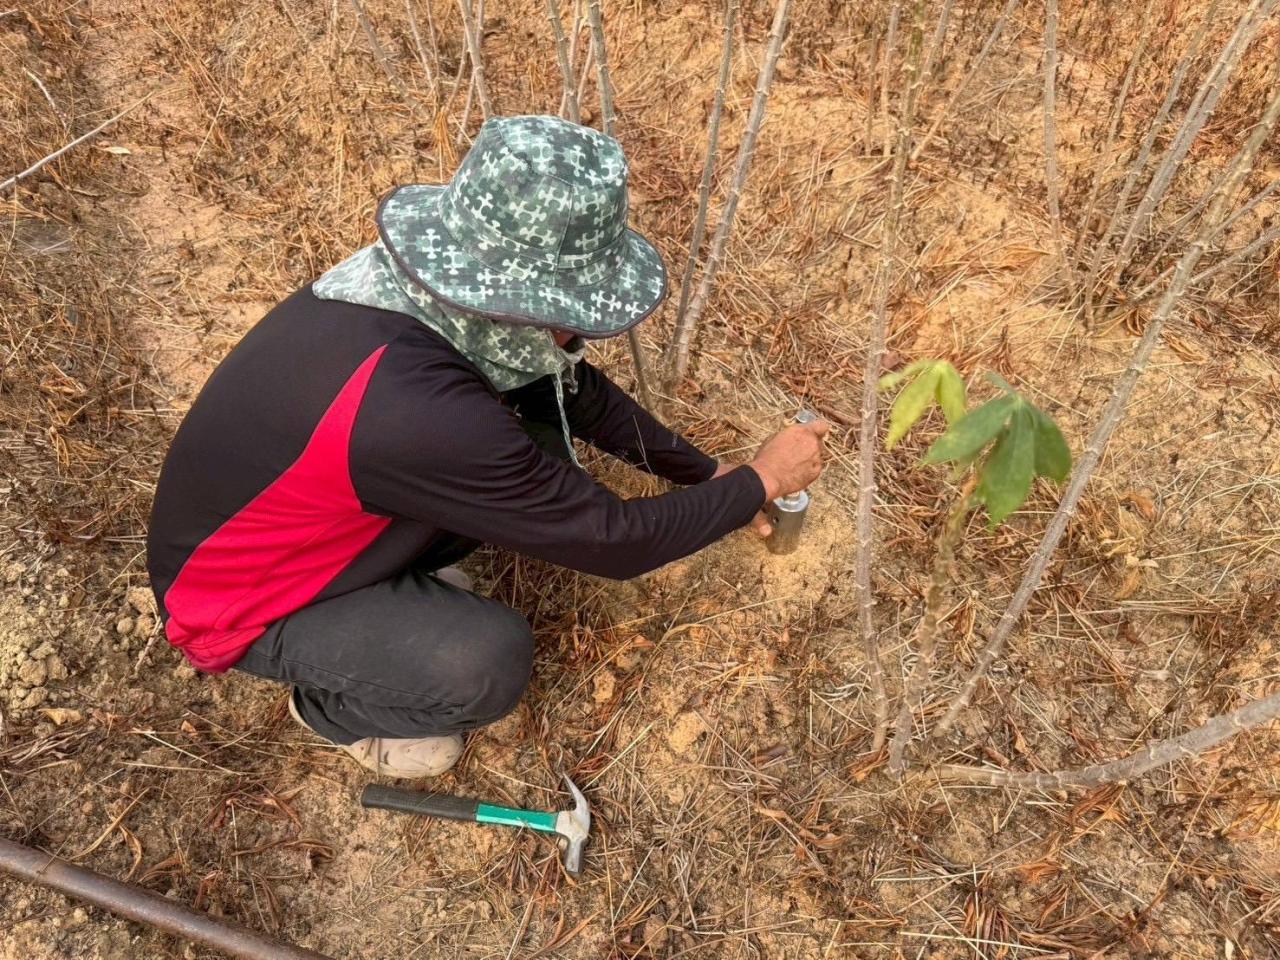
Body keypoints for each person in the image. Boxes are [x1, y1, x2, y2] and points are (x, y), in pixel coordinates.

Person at [147, 116, 827, 778]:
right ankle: (331, 709)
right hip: (237, 598)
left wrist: (705, 472)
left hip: (307, 520)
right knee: (484, 664)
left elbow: (568, 391)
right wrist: (758, 483)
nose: (578, 330)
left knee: (539, 441)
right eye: (576, 310)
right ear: (527, 301)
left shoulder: (412, 289)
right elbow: (614, 542)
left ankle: (387, 594)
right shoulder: (422, 415)